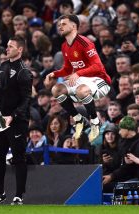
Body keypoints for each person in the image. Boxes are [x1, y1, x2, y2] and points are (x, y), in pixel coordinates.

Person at [45, 14, 111, 143]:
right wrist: (53, 74)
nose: (60, 26)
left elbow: (98, 66)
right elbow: (68, 69)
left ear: (74, 26)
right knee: (56, 89)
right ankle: (78, 118)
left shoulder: (85, 42)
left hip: (99, 80)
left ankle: (94, 121)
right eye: (59, 24)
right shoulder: (64, 46)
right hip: (82, 79)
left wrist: (78, 74)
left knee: (81, 90)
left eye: (64, 24)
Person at [0, 36, 32, 205]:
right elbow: (0, 90)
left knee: (18, 157)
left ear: (19, 49)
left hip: (17, 121)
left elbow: (26, 99)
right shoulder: (2, 66)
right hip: (1, 120)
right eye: (7, 46)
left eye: (10, 46)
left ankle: (19, 195)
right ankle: (0, 193)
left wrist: (12, 116)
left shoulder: (24, 71)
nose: (7, 49)